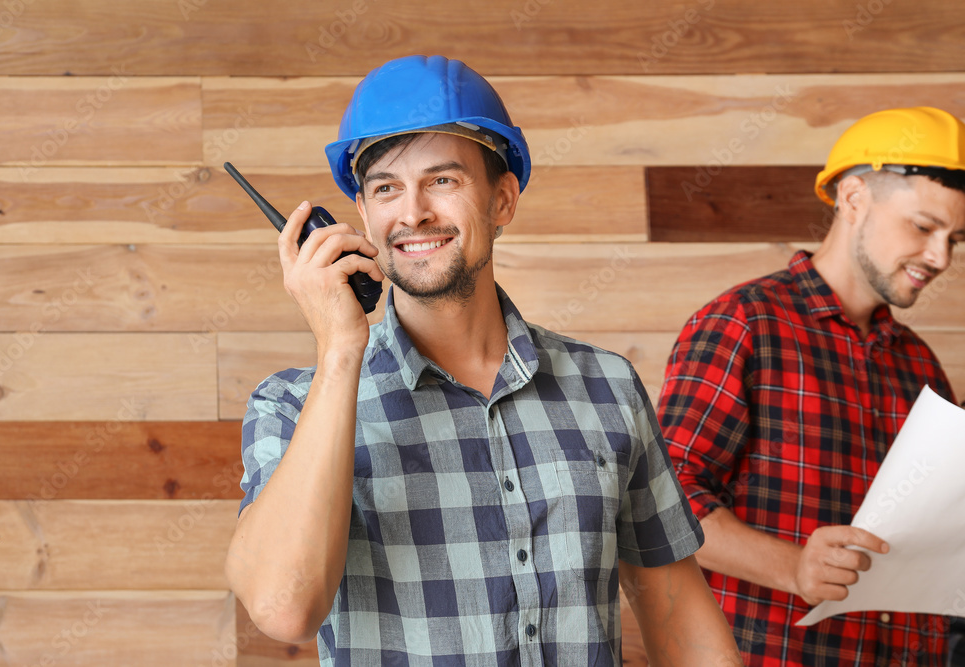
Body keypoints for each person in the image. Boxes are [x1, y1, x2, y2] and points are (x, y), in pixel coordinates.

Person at [224, 54, 742, 665]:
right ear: (361, 215)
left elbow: (675, 608)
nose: (412, 212)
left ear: (502, 200)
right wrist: (340, 351)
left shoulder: (606, 387)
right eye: (386, 188)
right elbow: (284, 610)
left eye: (442, 180)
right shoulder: (289, 406)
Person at [657, 105, 965, 666]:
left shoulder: (920, 365)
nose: (940, 257)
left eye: (956, 238)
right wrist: (794, 566)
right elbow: (663, 501)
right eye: (923, 227)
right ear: (853, 199)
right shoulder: (744, 323)